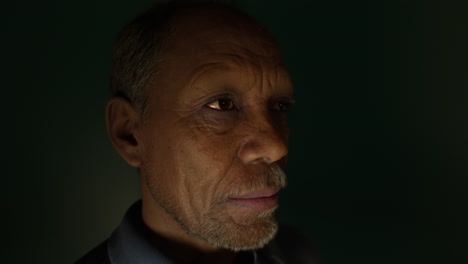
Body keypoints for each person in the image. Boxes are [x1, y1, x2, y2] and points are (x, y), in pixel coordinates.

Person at [77, 1, 317, 263]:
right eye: (221, 105)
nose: (276, 147)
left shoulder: (297, 254)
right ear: (129, 133)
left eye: (280, 106)